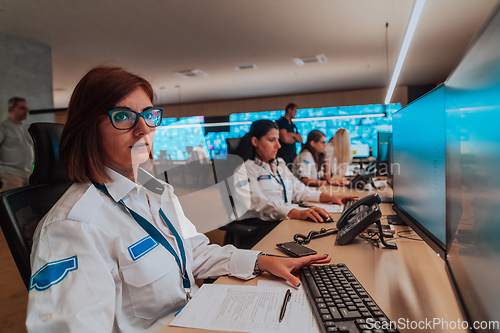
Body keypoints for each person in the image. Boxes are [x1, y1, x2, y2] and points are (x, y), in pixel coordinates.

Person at [26, 66, 330, 332]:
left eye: (149, 116)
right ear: (88, 129)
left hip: (199, 315)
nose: (143, 129)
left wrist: (263, 261)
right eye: (123, 116)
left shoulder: (156, 189)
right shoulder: (73, 228)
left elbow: (194, 253)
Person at [233, 120, 357, 223]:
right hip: (260, 225)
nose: (278, 146)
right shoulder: (244, 170)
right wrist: (297, 213)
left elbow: (300, 191)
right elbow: (260, 205)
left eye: (278, 140)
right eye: (272, 140)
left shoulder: (279, 164)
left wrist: (331, 197)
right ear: (255, 142)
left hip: (284, 219)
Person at [0, 97, 33, 191]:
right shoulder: (3, 127)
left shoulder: (27, 128)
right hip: (10, 174)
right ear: (11, 109)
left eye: (26, 108)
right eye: (22, 108)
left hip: (28, 173)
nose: (26, 111)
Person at [276, 103, 302, 167]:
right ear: (289, 110)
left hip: (293, 154)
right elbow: (285, 139)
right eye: (295, 111)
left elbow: (300, 140)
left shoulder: (293, 125)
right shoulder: (281, 122)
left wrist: (291, 135)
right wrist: (294, 137)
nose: (296, 113)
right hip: (283, 154)